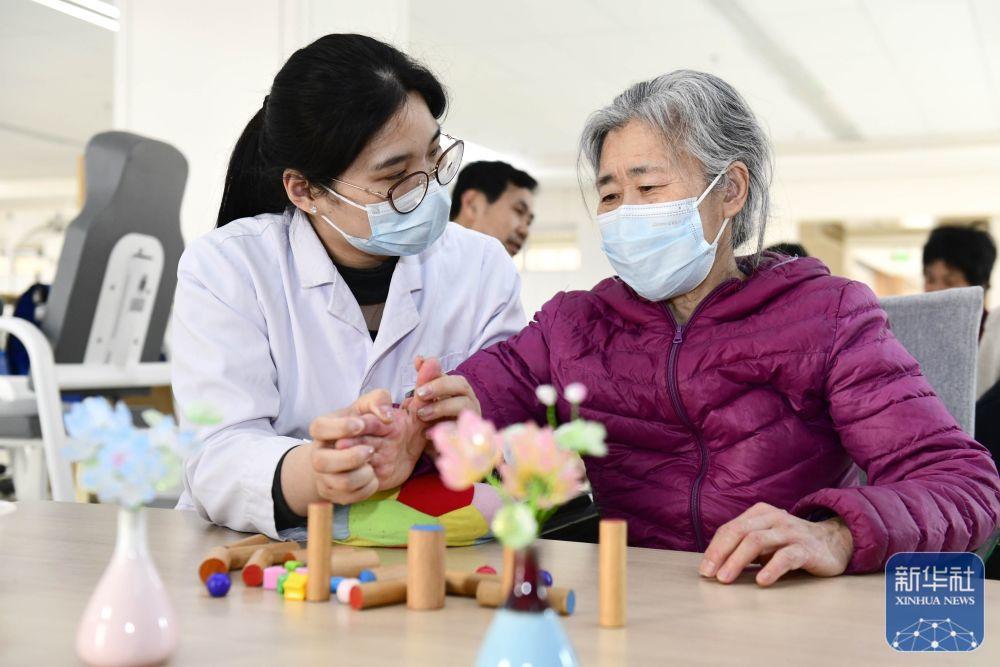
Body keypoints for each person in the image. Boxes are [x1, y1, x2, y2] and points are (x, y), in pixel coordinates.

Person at [407, 71, 1000, 586]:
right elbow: (481, 395)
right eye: (611, 194)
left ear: (731, 192)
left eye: (649, 187)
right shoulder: (573, 322)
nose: (625, 213)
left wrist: (838, 534)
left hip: (780, 602)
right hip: (636, 601)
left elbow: (963, 485)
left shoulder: (829, 314)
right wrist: (427, 412)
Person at [171, 34, 525, 538]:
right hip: (269, 553)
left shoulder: (480, 267)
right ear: (306, 190)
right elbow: (218, 452)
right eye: (396, 176)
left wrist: (473, 431)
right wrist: (319, 471)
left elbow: (525, 434)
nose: (428, 187)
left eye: (433, 156)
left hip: (436, 548)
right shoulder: (229, 267)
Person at [922, 225, 1000, 399]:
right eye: (930, 279)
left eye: (950, 281)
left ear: (981, 287)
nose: (936, 290)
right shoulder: (918, 335)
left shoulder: (993, 335)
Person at [449, 160, 537, 256]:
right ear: (472, 204)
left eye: (529, 222)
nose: (524, 231)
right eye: (519, 211)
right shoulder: (432, 263)